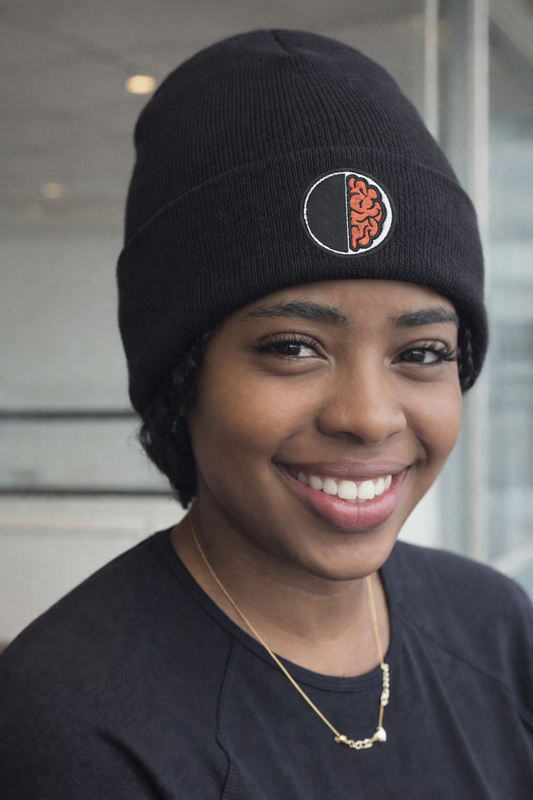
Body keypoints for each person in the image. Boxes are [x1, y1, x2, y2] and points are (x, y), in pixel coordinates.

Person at [1, 29, 532, 800]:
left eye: (421, 352)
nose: (368, 416)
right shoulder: (74, 728)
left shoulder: (492, 622)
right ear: (181, 379)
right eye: (292, 347)